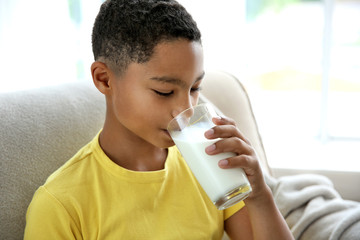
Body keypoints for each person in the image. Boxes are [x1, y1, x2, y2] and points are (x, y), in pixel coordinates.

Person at [24, 0, 294, 239]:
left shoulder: (209, 166)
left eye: (195, 89)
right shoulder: (60, 205)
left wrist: (259, 196)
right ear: (104, 79)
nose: (184, 110)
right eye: (164, 92)